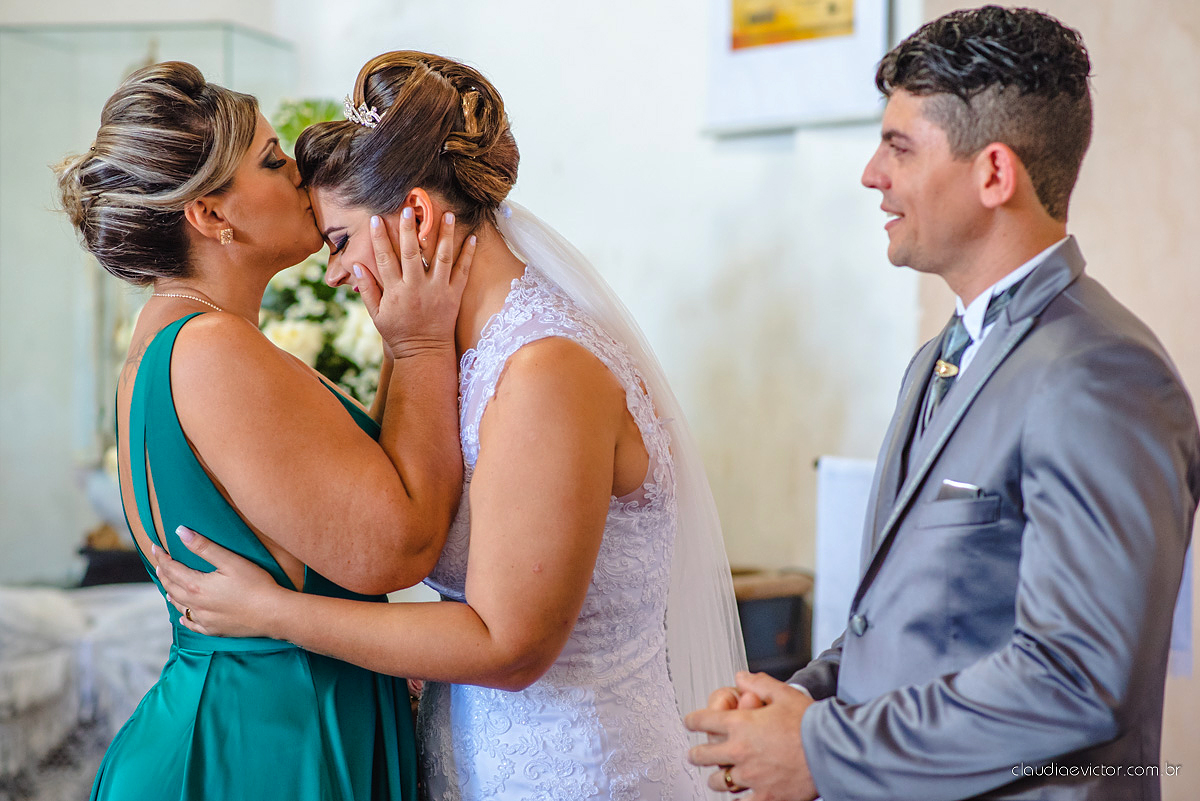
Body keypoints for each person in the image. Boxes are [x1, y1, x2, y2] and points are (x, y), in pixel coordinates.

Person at [155, 50, 746, 801]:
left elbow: (509, 645)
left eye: (339, 241)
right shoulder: (444, 352)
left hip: (581, 775)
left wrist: (273, 612)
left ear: (419, 216)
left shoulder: (545, 370)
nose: (334, 273)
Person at [685, 6, 1200, 801]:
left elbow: (1075, 677)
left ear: (994, 174)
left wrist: (822, 748)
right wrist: (800, 700)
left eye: (898, 147)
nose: (871, 175)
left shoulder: (1105, 373)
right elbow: (917, 628)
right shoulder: (937, 358)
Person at [55, 61, 473, 800]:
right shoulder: (213, 352)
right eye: (273, 162)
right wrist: (418, 347)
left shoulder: (172, 337)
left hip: (257, 720)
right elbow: (399, 546)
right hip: (263, 748)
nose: (300, 176)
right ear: (213, 216)